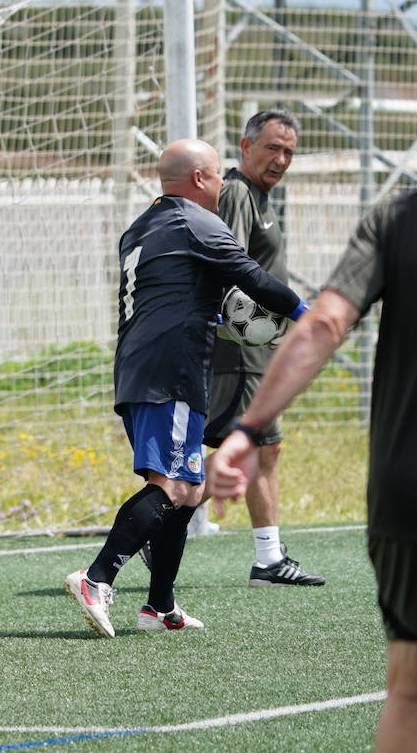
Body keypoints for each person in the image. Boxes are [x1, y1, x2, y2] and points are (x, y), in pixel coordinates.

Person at [207, 51, 417, 752]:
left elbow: (324, 326)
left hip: (411, 489)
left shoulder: (397, 220)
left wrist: (248, 426)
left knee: (415, 692)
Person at [66, 138, 307, 637]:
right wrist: (309, 314)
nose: (223, 185)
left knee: (191, 488)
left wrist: (215, 314)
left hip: (141, 368)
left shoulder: (141, 227)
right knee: (172, 485)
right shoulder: (195, 220)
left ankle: (159, 606)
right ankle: (97, 577)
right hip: (171, 370)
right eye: (219, 176)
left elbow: (168, 290)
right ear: (199, 179)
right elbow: (251, 276)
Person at [205, 108, 323, 586]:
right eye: (273, 147)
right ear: (245, 146)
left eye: (289, 151)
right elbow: (225, 260)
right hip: (239, 351)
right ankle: (266, 559)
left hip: (257, 350)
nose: (281, 158)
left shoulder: (263, 197)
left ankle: (267, 557)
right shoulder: (236, 191)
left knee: (252, 449)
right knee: (252, 447)